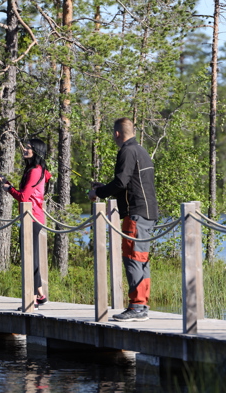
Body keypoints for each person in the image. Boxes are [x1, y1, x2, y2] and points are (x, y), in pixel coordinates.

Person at [88, 117, 158, 322]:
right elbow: (128, 183)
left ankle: (137, 307)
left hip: (136, 213)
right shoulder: (141, 150)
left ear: (117, 133)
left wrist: (98, 193)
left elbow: (120, 182)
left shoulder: (127, 151)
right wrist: (104, 188)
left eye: (113, 133)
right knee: (141, 259)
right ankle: (141, 304)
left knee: (133, 259)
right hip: (148, 212)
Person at [0, 138, 52, 310]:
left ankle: (32, 300)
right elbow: (40, 183)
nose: (25, 150)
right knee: (32, 257)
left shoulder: (34, 171)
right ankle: (40, 295)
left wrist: (8, 189)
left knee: (30, 259)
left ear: (36, 151)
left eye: (28, 148)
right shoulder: (38, 170)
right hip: (33, 218)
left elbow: (23, 197)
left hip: (31, 219)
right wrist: (7, 184)